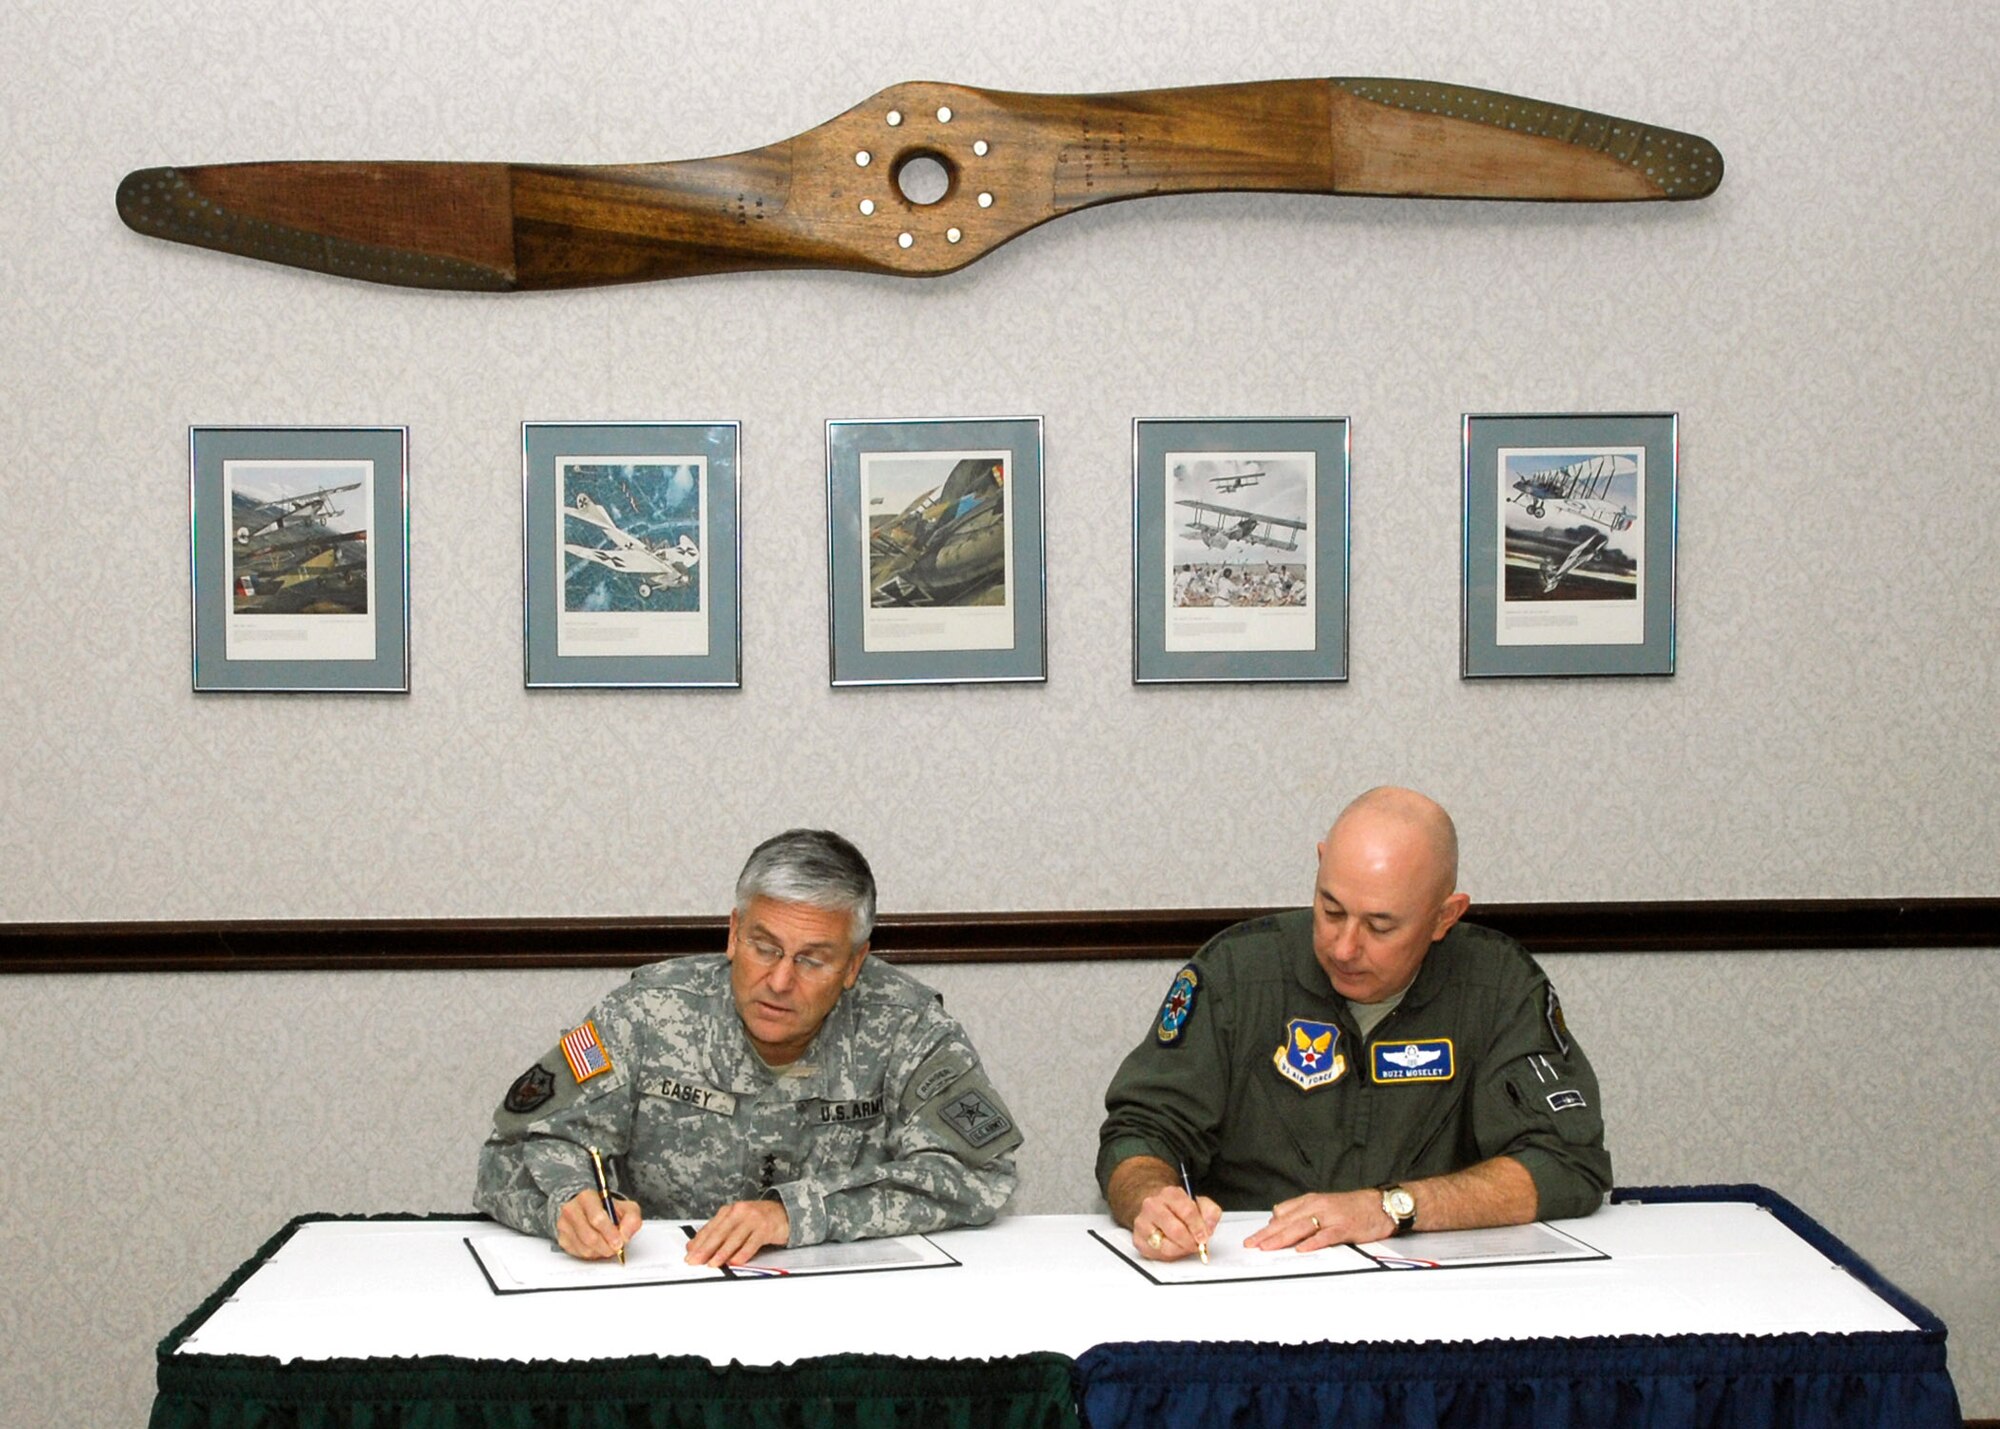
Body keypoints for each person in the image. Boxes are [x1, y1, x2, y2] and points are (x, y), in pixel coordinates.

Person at [1097, 786, 1610, 1261]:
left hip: (1440, 1289)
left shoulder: (1499, 986)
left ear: (1444, 917)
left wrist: (1394, 1207)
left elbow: (1567, 1162)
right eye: (1331, 910)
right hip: (1257, 1275)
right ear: (1320, 865)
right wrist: (1151, 1198)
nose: (1344, 948)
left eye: (1380, 925)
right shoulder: (1236, 974)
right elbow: (1141, 1130)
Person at [476, 829, 1022, 1265]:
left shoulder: (908, 1025)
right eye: (764, 948)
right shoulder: (646, 1013)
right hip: (666, 1297)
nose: (780, 981)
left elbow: (980, 1172)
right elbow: (508, 1156)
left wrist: (798, 1214)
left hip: (847, 1305)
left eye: (812, 960)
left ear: (855, 964)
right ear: (733, 933)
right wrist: (569, 1203)